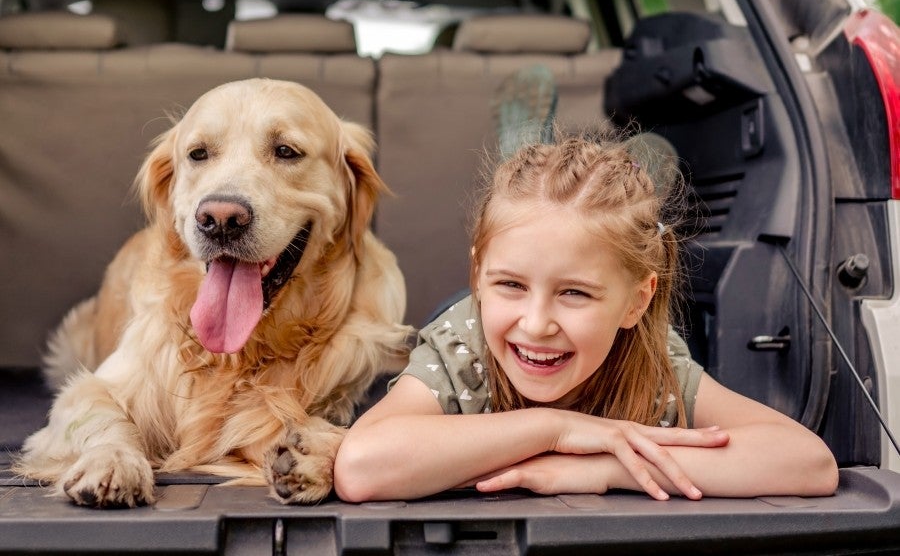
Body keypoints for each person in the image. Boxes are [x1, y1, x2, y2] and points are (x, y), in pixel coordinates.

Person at [334, 136, 839, 503]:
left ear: (636, 303)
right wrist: (555, 429)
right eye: (510, 284)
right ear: (479, 274)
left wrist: (605, 467)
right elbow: (361, 467)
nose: (536, 323)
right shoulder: (460, 349)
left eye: (573, 293)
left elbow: (808, 462)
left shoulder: (652, 363)